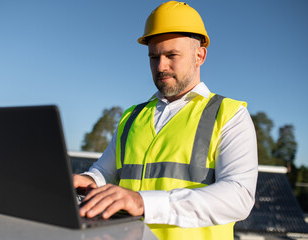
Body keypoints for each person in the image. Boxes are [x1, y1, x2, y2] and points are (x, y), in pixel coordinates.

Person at [73, 1, 258, 239]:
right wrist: (88, 180)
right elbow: (105, 173)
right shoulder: (132, 117)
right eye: (154, 57)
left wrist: (143, 202)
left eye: (172, 55)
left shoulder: (230, 115)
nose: (161, 66)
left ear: (199, 55)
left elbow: (239, 197)